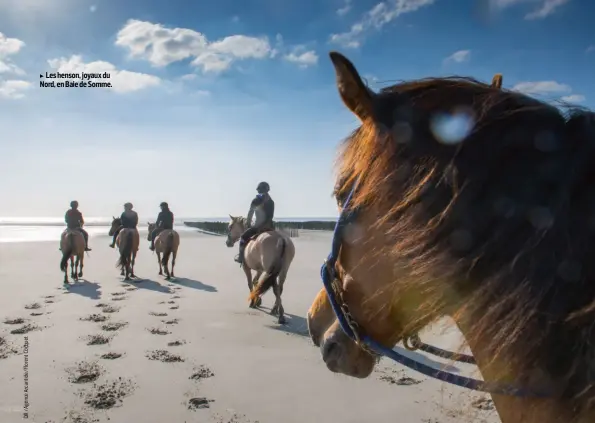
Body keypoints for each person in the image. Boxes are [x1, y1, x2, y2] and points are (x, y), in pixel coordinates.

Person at [235, 181, 275, 264]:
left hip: (258, 227)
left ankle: (241, 257)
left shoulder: (256, 200)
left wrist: (249, 224)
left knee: (243, 238)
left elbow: (250, 214)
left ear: (259, 190)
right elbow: (270, 216)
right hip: (270, 227)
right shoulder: (271, 202)